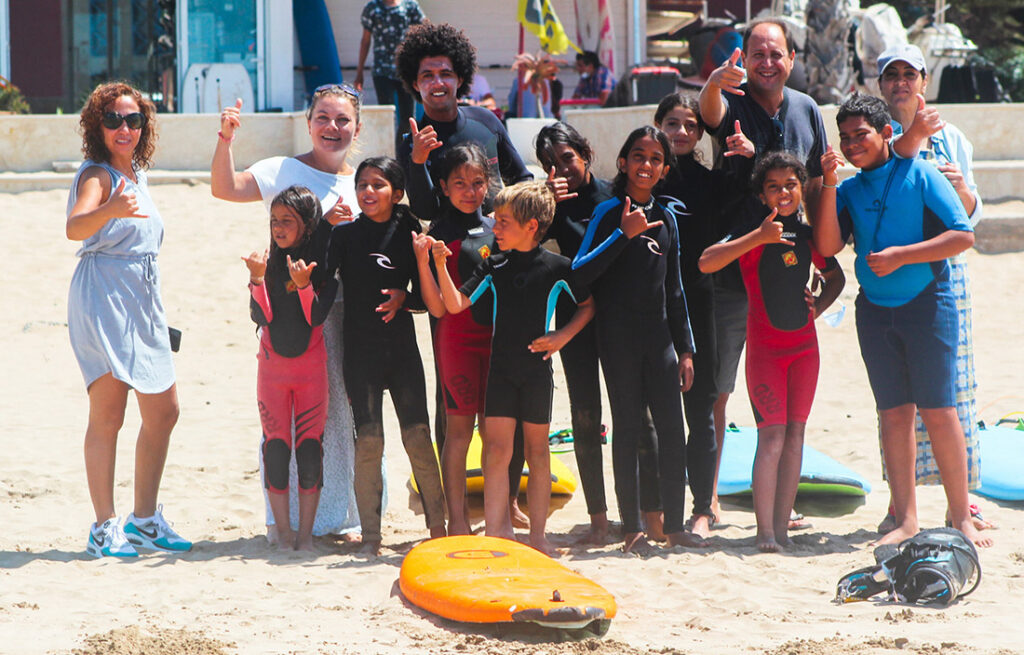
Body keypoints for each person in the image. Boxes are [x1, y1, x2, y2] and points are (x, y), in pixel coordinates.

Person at [814, 93, 992, 549]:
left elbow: (963, 235)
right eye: (846, 137)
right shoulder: (850, 190)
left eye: (862, 135)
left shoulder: (922, 173)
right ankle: (906, 519)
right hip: (875, 312)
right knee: (893, 415)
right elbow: (829, 245)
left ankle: (960, 515)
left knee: (939, 412)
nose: (853, 144)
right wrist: (832, 183)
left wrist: (901, 257)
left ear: (886, 133)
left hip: (928, 304)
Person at [213, 85, 378, 544]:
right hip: (287, 315)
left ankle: (335, 518)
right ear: (308, 123)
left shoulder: (361, 180)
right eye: (323, 117)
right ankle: (279, 522)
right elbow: (225, 189)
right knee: (282, 423)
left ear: (357, 128)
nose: (332, 127)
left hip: (344, 312)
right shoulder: (282, 170)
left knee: (339, 416)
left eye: (343, 120)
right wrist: (225, 139)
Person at [698, 18, 827, 530]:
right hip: (736, 269)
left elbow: (814, 184)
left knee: (785, 411)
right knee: (720, 390)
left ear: (791, 59)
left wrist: (820, 252)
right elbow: (710, 114)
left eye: (776, 54)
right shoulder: (732, 102)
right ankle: (706, 503)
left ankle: (778, 506)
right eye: (757, 54)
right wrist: (711, 85)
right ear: (744, 59)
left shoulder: (807, 108)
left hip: (789, 273)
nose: (767, 62)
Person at [432, 181, 595, 554]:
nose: (496, 228)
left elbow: (588, 307)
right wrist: (441, 265)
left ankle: (537, 537)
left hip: (536, 373)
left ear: (531, 226)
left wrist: (561, 337)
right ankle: (496, 533)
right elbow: (456, 304)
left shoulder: (558, 267)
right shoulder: (494, 264)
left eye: (503, 222)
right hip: (501, 373)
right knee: (497, 453)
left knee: (538, 453)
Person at [66, 81, 191, 558]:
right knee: (110, 412)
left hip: (141, 297)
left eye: (133, 119)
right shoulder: (97, 175)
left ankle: (144, 520)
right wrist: (110, 208)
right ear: (97, 125)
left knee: (165, 409)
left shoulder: (137, 171)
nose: (124, 128)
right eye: (114, 119)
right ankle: (103, 527)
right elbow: (74, 227)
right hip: (102, 295)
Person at [873, 43, 992, 533]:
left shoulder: (953, 137)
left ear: (924, 81)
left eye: (909, 74)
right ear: (881, 84)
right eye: (892, 74)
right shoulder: (876, 136)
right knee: (895, 399)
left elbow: (972, 210)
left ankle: (958, 503)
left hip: (944, 273)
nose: (901, 82)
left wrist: (959, 189)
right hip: (893, 277)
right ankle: (900, 505)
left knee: (952, 394)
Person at [699, 152, 844, 551]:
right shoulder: (752, 232)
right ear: (762, 195)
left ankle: (781, 529)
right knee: (772, 437)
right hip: (765, 352)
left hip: (804, 351)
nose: (783, 192)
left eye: (790, 184)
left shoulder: (807, 237)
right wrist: (758, 238)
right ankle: (764, 532)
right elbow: (706, 262)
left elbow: (836, 276)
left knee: (796, 434)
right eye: (773, 186)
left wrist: (818, 307)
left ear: (801, 188)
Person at [572, 126, 706, 553]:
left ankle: (675, 525)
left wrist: (685, 349)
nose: (645, 165)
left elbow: (675, 289)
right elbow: (579, 272)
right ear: (624, 163)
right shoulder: (609, 212)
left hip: (660, 338)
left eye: (654, 159)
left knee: (672, 428)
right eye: (638, 156)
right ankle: (630, 528)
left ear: (664, 169)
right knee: (627, 429)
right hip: (617, 338)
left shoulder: (666, 218)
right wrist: (621, 235)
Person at [535, 122, 662, 544]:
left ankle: (644, 515)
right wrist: (543, 205)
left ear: (586, 154)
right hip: (578, 321)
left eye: (568, 158)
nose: (563, 170)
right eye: (551, 165)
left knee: (638, 419)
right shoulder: (550, 207)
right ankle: (599, 519)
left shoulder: (616, 195)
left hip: (624, 322)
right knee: (586, 417)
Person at [328, 157, 446, 554]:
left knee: (418, 438)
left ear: (396, 194)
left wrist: (405, 298)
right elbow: (324, 286)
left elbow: (428, 296)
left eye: (378, 185)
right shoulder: (344, 237)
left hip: (402, 353)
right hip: (360, 355)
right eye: (362, 184)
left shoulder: (408, 230)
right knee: (369, 443)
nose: (367, 192)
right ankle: (372, 536)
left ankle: (438, 529)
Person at [654, 93, 754, 539]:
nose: (680, 132)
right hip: (649, 306)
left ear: (699, 133)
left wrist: (748, 160)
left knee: (703, 405)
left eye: (690, 126)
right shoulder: (644, 179)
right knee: (652, 411)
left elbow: (750, 200)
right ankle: (653, 505)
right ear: (658, 124)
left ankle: (702, 506)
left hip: (700, 303)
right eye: (672, 123)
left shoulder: (710, 182)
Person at [243, 187, 336, 552]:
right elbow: (261, 316)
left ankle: (305, 535)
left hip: (310, 372)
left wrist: (304, 286)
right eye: (274, 221)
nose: (279, 228)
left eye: (288, 221)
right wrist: (255, 280)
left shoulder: (323, 267)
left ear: (308, 226)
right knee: (277, 450)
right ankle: (282, 533)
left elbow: (316, 316)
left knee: (310, 450)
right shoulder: (266, 263)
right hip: (273, 372)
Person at [411, 144, 497, 536]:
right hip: (456, 342)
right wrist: (425, 260)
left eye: (478, 182)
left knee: (494, 432)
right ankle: (458, 519)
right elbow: (437, 308)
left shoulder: (500, 228)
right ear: (443, 187)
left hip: (497, 341)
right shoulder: (438, 234)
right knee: (459, 432)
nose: (470, 191)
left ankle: (499, 516)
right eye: (460, 183)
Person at [395, 22, 532, 219]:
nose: (438, 83)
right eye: (427, 76)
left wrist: (503, 213)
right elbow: (424, 212)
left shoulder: (486, 121)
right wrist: (418, 161)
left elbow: (522, 178)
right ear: (415, 84)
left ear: (460, 79)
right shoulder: (411, 145)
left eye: (445, 74)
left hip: (498, 240)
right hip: (448, 247)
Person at [354, 0, 425, 147]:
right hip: (382, 70)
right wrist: (359, 72)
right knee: (386, 115)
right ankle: (386, 151)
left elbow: (424, 31)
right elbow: (365, 41)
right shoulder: (372, 7)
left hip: (405, 69)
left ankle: (403, 154)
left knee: (408, 118)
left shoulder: (410, 6)